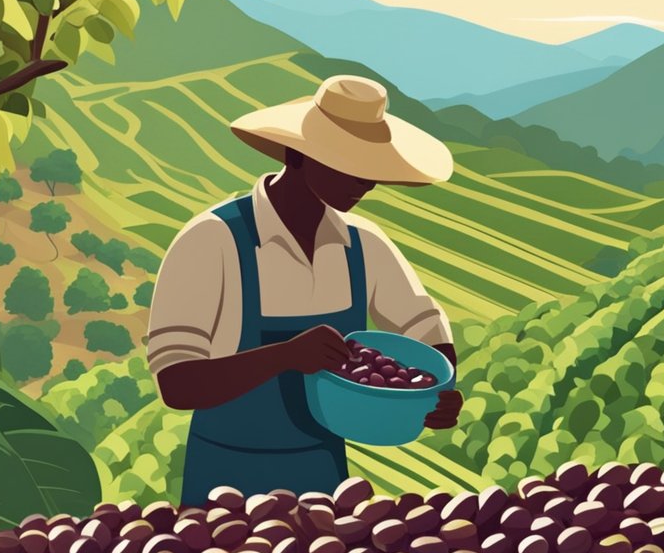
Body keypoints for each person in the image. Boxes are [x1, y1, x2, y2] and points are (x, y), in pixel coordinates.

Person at [146, 75, 464, 506]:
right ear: (297, 154)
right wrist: (285, 356)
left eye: (371, 167)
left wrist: (436, 391)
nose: (365, 182)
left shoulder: (364, 243)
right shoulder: (212, 240)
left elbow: (423, 325)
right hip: (225, 485)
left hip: (322, 474)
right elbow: (177, 384)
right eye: (347, 163)